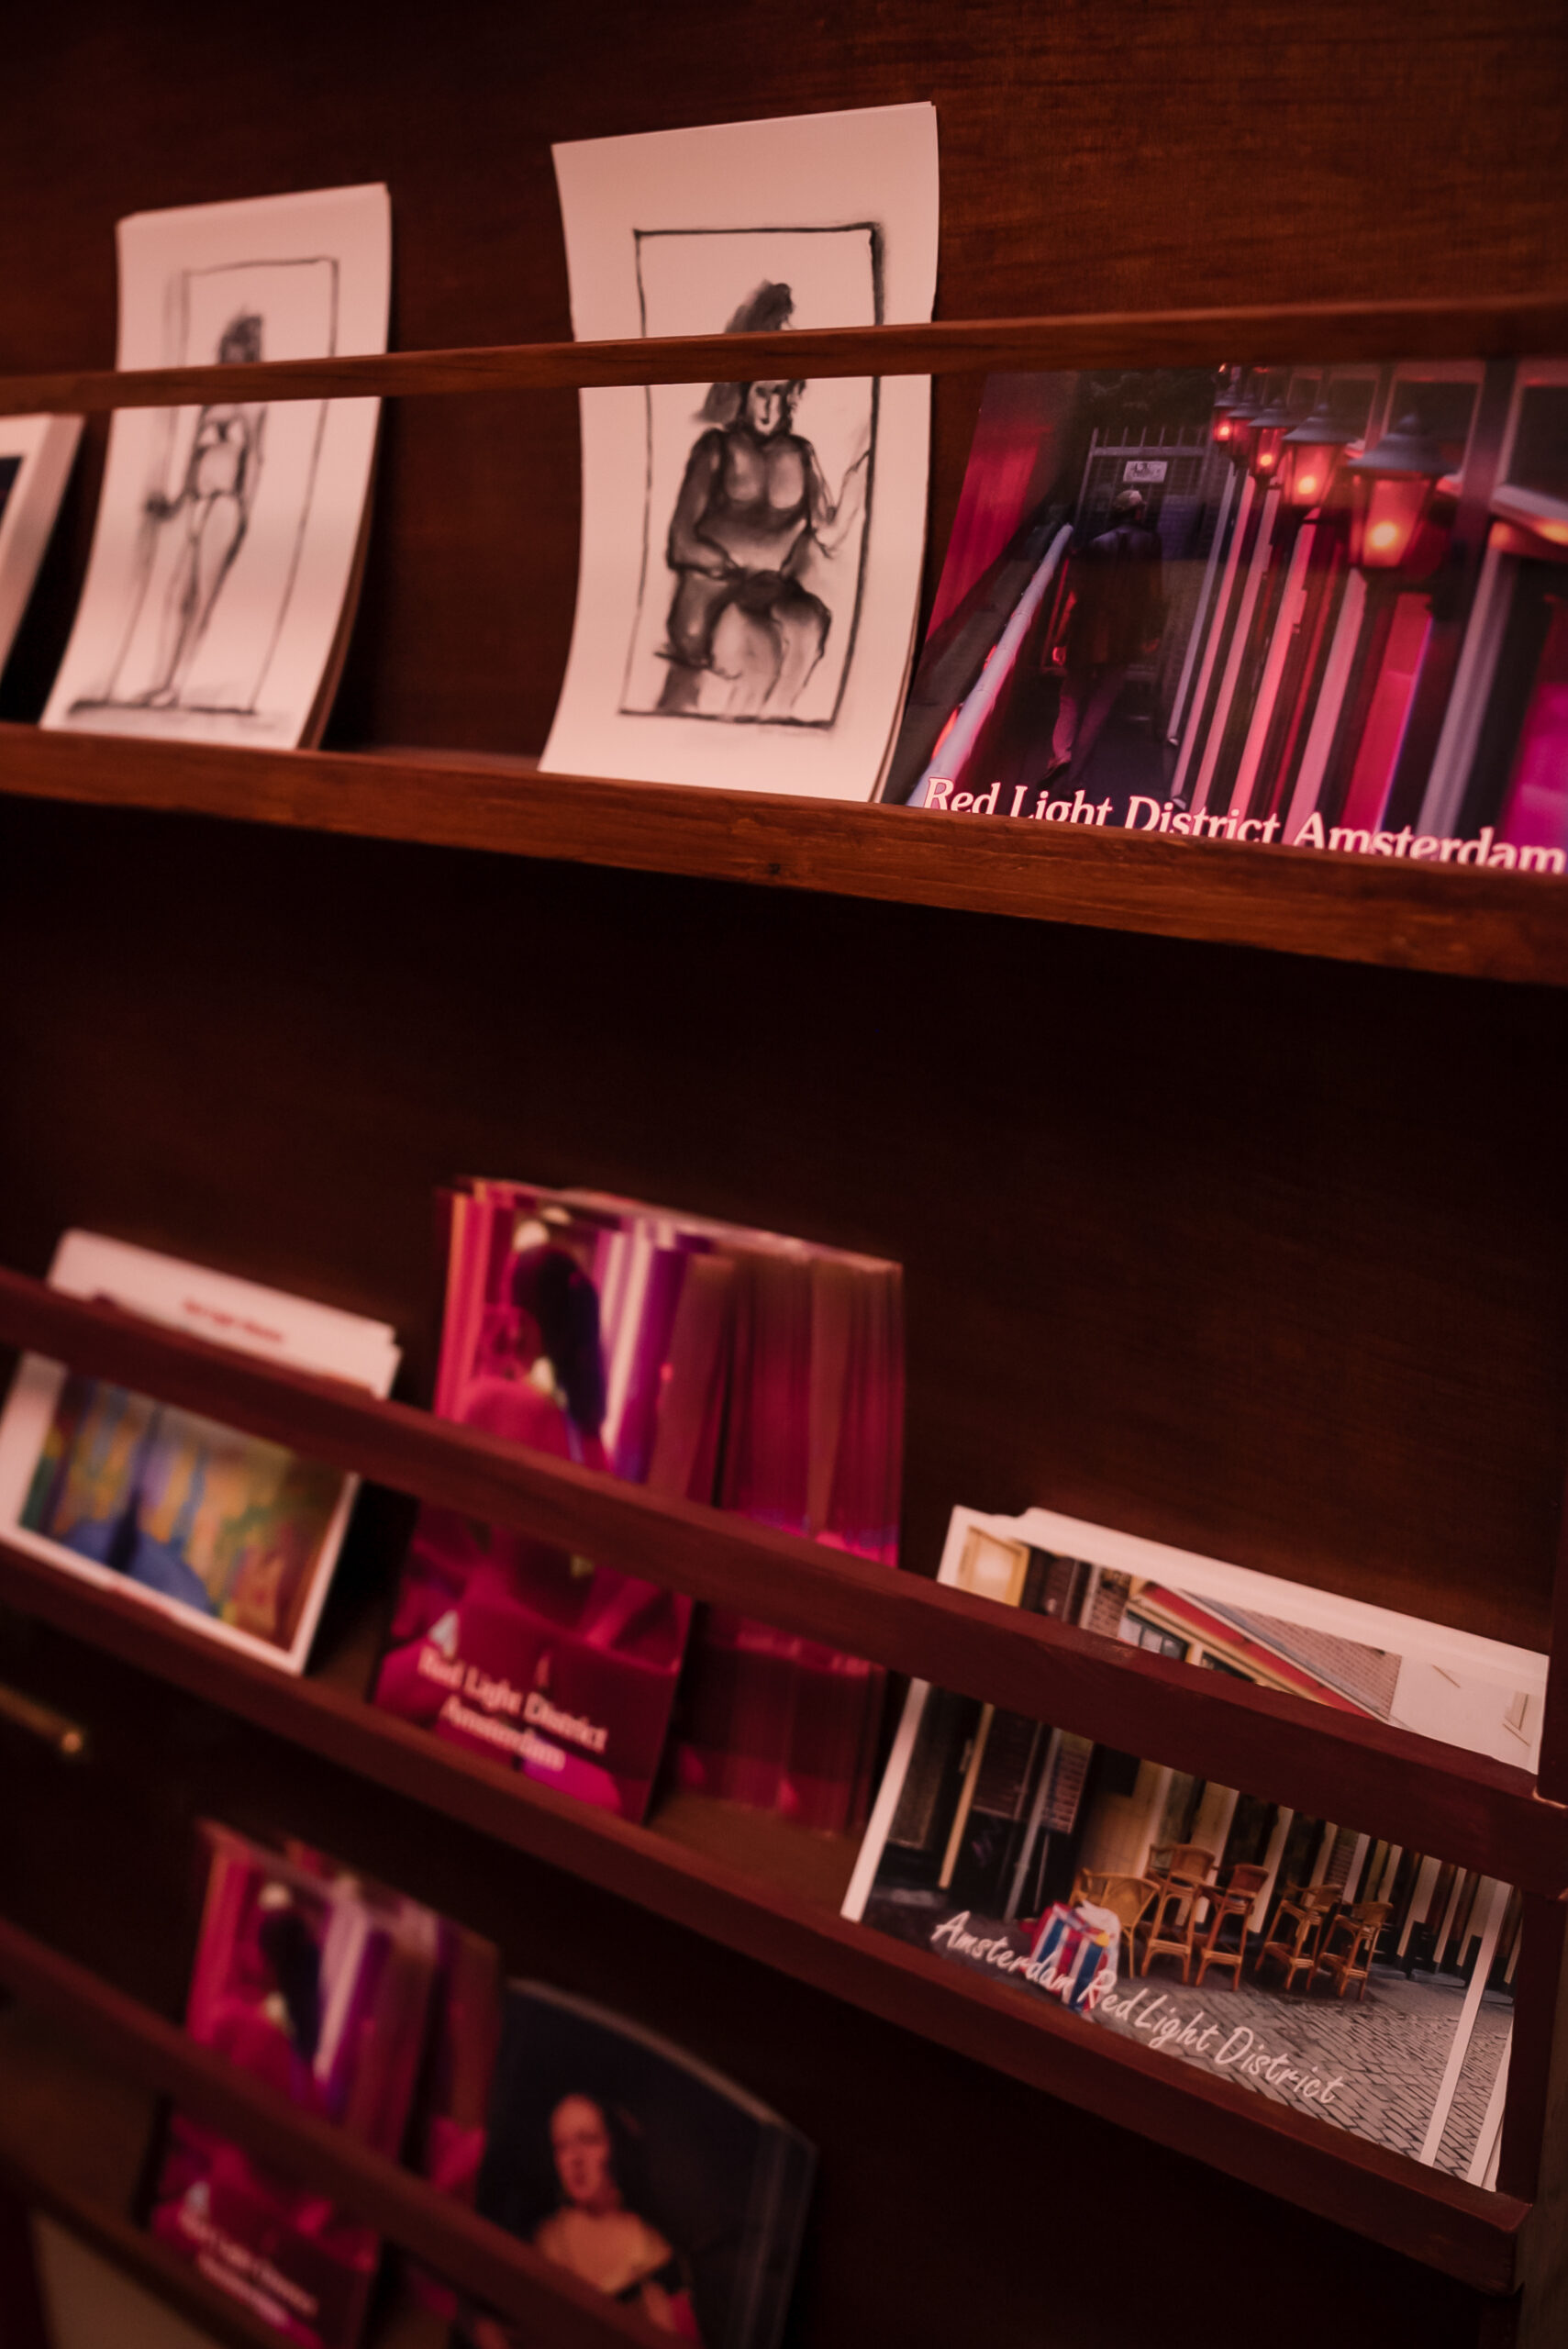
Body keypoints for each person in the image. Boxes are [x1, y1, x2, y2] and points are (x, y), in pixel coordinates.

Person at [656, 287, 869, 719]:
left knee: (810, 622)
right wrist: (734, 567)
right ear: (744, 392)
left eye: (782, 393)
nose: (772, 408)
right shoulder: (716, 449)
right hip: (714, 596)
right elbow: (680, 543)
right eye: (762, 393)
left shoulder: (801, 454)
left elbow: (827, 532)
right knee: (760, 642)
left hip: (768, 592)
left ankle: (777, 720)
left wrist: (859, 479)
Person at [470, 2094, 700, 2345]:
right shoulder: (542, 2238)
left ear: (615, 2145)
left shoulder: (654, 2255)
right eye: (562, 2146)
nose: (575, 2158)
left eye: (589, 2140)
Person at [136, 310, 266, 707]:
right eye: (225, 354)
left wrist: (244, 511)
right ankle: (162, 680)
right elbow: (193, 461)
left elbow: (254, 460)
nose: (228, 361)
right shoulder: (208, 404)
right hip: (197, 501)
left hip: (225, 505)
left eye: (236, 355)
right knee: (178, 593)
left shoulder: (253, 406)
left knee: (202, 595)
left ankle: (177, 684)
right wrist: (175, 503)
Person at [1045, 485, 1164, 785]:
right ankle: (1074, 777)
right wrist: (1154, 632)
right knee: (1100, 706)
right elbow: (1155, 593)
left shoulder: (1095, 546)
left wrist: (1061, 639)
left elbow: (1075, 597)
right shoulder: (1150, 544)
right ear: (1139, 513)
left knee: (1070, 697)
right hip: (1124, 638)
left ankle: (1061, 754)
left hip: (1085, 634)